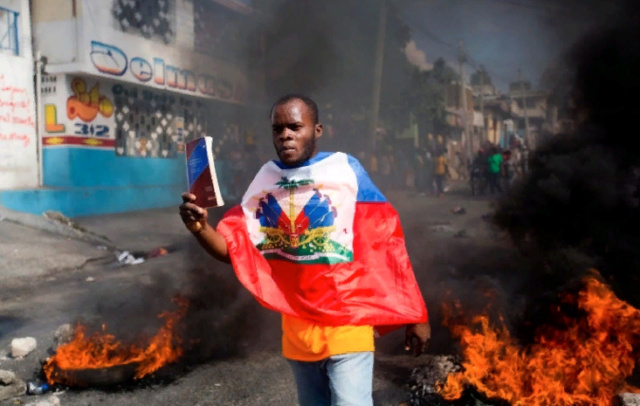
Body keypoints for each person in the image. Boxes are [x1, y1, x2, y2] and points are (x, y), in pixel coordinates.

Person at [179, 95, 430, 406]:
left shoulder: (345, 171)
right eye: (278, 128)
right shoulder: (266, 182)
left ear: (317, 130)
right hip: (299, 335)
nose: (285, 134)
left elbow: (388, 242)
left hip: (347, 326)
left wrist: (415, 313)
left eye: (295, 127)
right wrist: (200, 228)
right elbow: (232, 249)